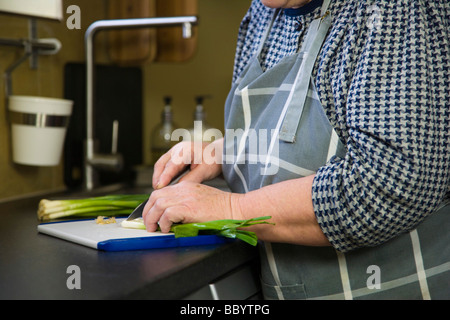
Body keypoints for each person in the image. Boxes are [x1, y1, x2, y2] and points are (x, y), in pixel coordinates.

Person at [143, 0, 450, 299]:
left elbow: (389, 183)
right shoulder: (263, 12)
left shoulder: (398, 8)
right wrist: (226, 152)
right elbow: (302, 130)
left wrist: (232, 210)